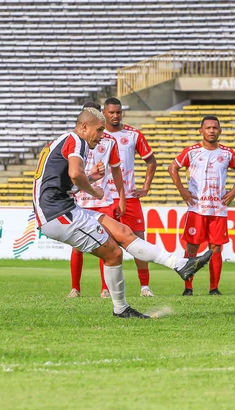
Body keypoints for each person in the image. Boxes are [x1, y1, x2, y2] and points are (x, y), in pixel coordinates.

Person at [32, 108, 212, 318]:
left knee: (124, 232)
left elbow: (64, 182)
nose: (101, 136)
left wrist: (89, 178)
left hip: (62, 209)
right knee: (114, 254)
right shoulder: (77, 141)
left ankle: (181, 265)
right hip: (59, 214)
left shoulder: (61, 141)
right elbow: (74, 174)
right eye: (99, 130)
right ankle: (121, 309)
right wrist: (93, 189)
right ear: (84, 127)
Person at [168, 115, 235, 296]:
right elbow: (173, 168)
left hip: (218, 209)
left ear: (220, 131)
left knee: (216, 248)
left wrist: (233, 192)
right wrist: (182, 191)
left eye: (215, 128)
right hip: (197, 209)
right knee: (192, 248)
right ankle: (188, 288)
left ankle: (214, 288)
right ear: (201, 131)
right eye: (208, 128)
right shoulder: (192, 151)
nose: (212, 131)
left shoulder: (227, 153)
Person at [68, 101, 126, 298]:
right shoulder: (73, 140)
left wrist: (122, 197)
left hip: (103, 200)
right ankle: (75, 288)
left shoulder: (109, 141)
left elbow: (117, 171)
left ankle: (105, 289)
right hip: (79, 198)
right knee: (78, 247)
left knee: (107, 244)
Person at [103, 97, 157, 297]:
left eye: (118, 112)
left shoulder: (133, 135)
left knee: (138, 242)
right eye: (111, 112)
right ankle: (105, 289)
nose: (115, 116)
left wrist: (145, 187)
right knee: (105, 243)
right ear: (104, 113)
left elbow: (151, 161)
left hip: (130, 198)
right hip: (106, 199)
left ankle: (145, 287)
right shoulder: (98, 136)